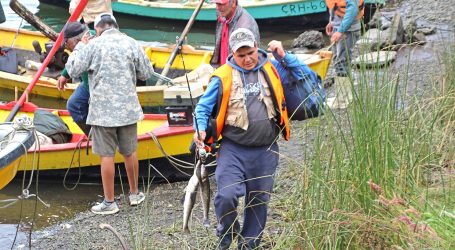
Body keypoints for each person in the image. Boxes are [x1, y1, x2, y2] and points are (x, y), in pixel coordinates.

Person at [193, 28, 314, 249]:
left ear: (257, 47)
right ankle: (227, 232)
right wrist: (200, 129)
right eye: (241, 55)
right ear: (232, 54)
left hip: (266, 149)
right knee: (227, 195)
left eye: (251, 52)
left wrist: (285, 56)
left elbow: (307, 77)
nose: (248, 59)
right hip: (233, 148)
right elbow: (202, 109)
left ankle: (249, 244)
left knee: (259, 200)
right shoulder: (223, 76)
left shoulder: (273, 66)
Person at [65, 13, 154, 215]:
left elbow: (73, 69)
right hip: (128, 109)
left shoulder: (92, 46)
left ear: (97, 29)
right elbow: (146, 73)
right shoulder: (131, 43)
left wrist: (80, 45)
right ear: (116, 26)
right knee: (129, 152)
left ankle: (109, 202)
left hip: (102, 112)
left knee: (106, 155)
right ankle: (134, 194)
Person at [325, 0, 364, 109]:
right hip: (339, 28)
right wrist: (332, 22)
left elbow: (352, 9)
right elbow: (336, 5)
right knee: (338, 61)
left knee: (342, 63)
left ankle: (343, 100)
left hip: (347, 31)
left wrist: (340, 31)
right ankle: (345, 96)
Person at [57, 22, 92, 136]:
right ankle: (91, 134)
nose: (67, 46)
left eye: (67, 43)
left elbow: (73, 67)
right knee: (74, 104)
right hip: (87, 82)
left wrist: (68, 73)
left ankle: (97, 138)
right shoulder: (87, 37)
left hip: (96, 87)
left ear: (76, 41)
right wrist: (64, 75)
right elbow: (72, 67)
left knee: (77, 105)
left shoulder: (89, 44)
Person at [210, 0, 259, 66]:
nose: (217, 8)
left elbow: (246, 60)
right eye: (217, 4)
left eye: (221, 4)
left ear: (233, 2)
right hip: (223, 67)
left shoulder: (245, 27)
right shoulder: (222, 15)